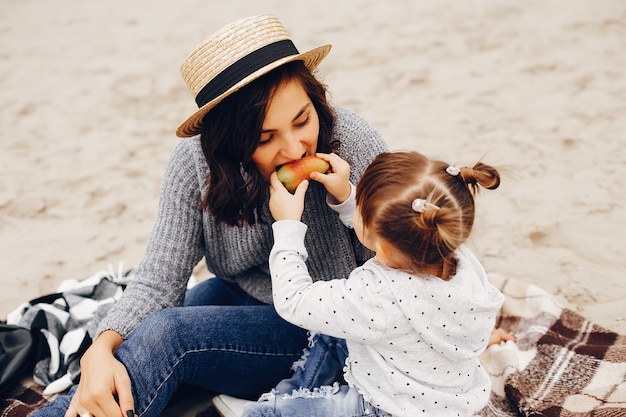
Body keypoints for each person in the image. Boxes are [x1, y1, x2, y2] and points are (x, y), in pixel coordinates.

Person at [32, 14, 388, 417]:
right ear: (229, 141)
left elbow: (404, 261)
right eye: (264, 138)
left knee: (169, 335)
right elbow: (157, 280)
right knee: (143, 330)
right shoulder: (195, 166)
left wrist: (346, 201)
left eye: (302, 120)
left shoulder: (353, 142)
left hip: (330, 327)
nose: (294, 148)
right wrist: (100, 348)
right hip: (250, 295)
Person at [241, 150, 507, 416]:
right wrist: (346, 196)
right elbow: (389, 229)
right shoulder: (456, 255)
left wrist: (287, 225)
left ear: (382, 245)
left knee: (264, 414)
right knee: (335, 333)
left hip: (383, 408)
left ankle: (286, 400)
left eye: (360, 210)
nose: (356, 211)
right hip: (442, 400)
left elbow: (295, 301)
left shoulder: (376, 295)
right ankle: (295, 392)